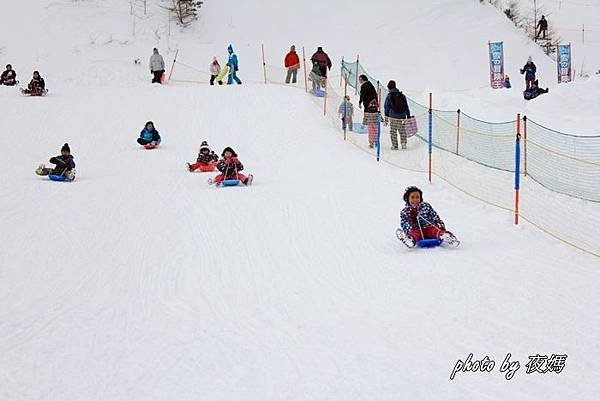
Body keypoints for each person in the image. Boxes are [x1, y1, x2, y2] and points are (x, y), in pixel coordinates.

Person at [383, 80, 411, 150]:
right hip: (402, 117)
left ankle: (395, 145)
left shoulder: (389, 96)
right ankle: (404, 144)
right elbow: (406, 106)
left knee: (393, 131)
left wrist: (386, 117)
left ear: (389, 87)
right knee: (402, 131)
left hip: (393, 117)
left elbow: (386, 107)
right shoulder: (402, 95)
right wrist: (408, 116)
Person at [358, 74, 380, 148]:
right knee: (375, 126)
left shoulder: (364, 86)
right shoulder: (371, 85)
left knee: (370, 126)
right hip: (375, 108)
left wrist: (360, 102)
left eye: (360, 80)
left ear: (362, 79)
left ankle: (371, 142)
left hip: (368, 108)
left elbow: (362, 95)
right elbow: (375, 95)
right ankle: (376, 141)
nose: (359, 81)